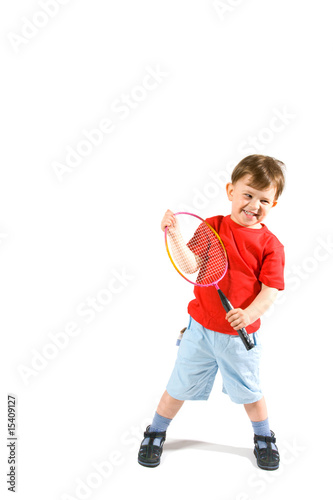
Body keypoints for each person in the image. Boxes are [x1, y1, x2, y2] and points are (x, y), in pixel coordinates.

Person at [138, 154, 286, 471]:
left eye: (264, 199)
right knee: (177, 386)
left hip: (240, 338)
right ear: (231, 191)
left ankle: (263, 437)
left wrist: (248, 314)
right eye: (248, 194)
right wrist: (175, 234)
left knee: (250, 392)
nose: (254, 205)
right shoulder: (213, 227)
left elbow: (269, 291)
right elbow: (191, 265)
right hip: (200, 331)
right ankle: (156, 431)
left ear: (274, 203)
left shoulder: (271, 245)